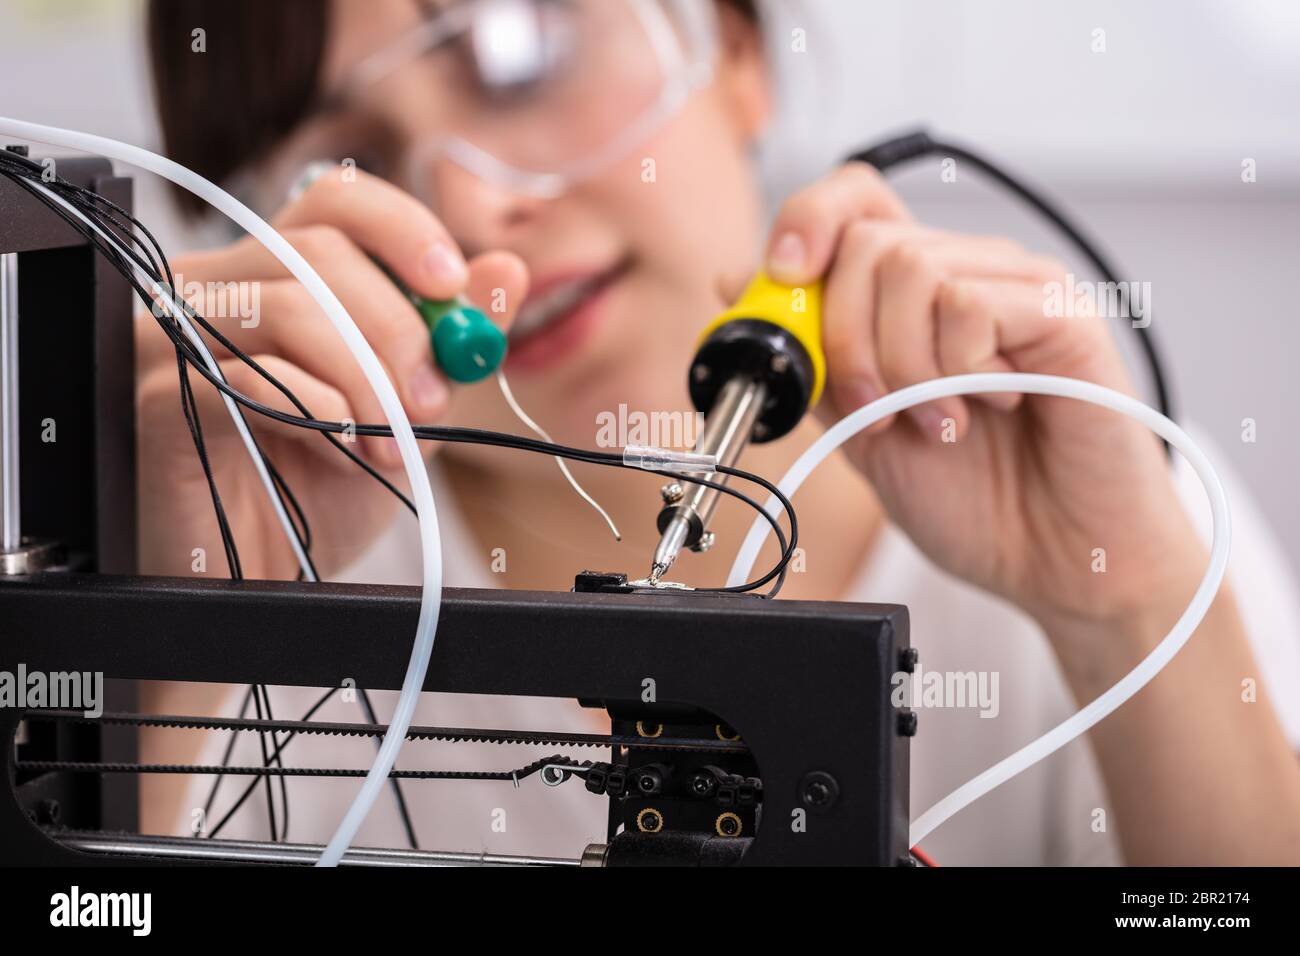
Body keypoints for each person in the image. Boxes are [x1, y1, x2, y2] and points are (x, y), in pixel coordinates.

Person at [137, 0, 1300, 864]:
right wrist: (175, 622)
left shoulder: (1105, 510)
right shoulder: (243, 585)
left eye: (519, 53)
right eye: (346, 160)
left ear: (734, 53)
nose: (477, 206)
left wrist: (1128, 612)